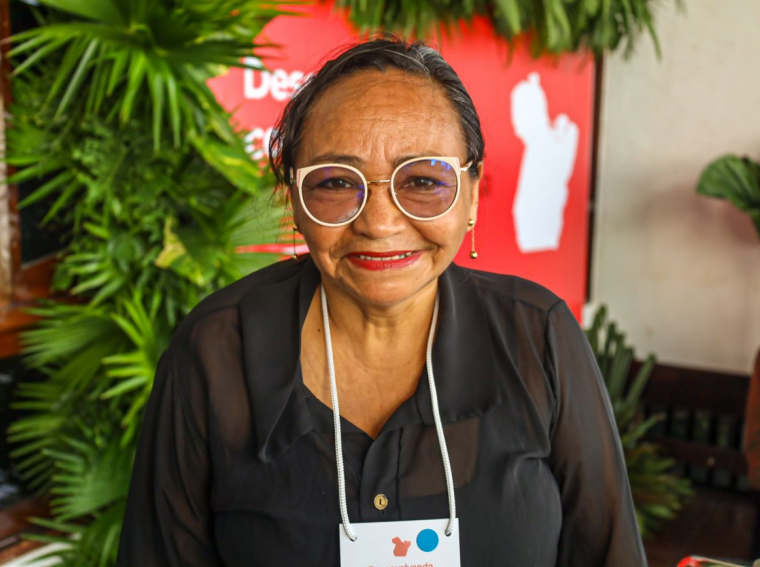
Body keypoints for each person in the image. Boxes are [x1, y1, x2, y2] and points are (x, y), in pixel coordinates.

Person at [116, 38, 647, 566]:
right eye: (335, 182)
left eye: (423, 180)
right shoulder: (215, 351)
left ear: (471, 194)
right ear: (293, 201)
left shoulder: (538, 337)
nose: (379, 223)